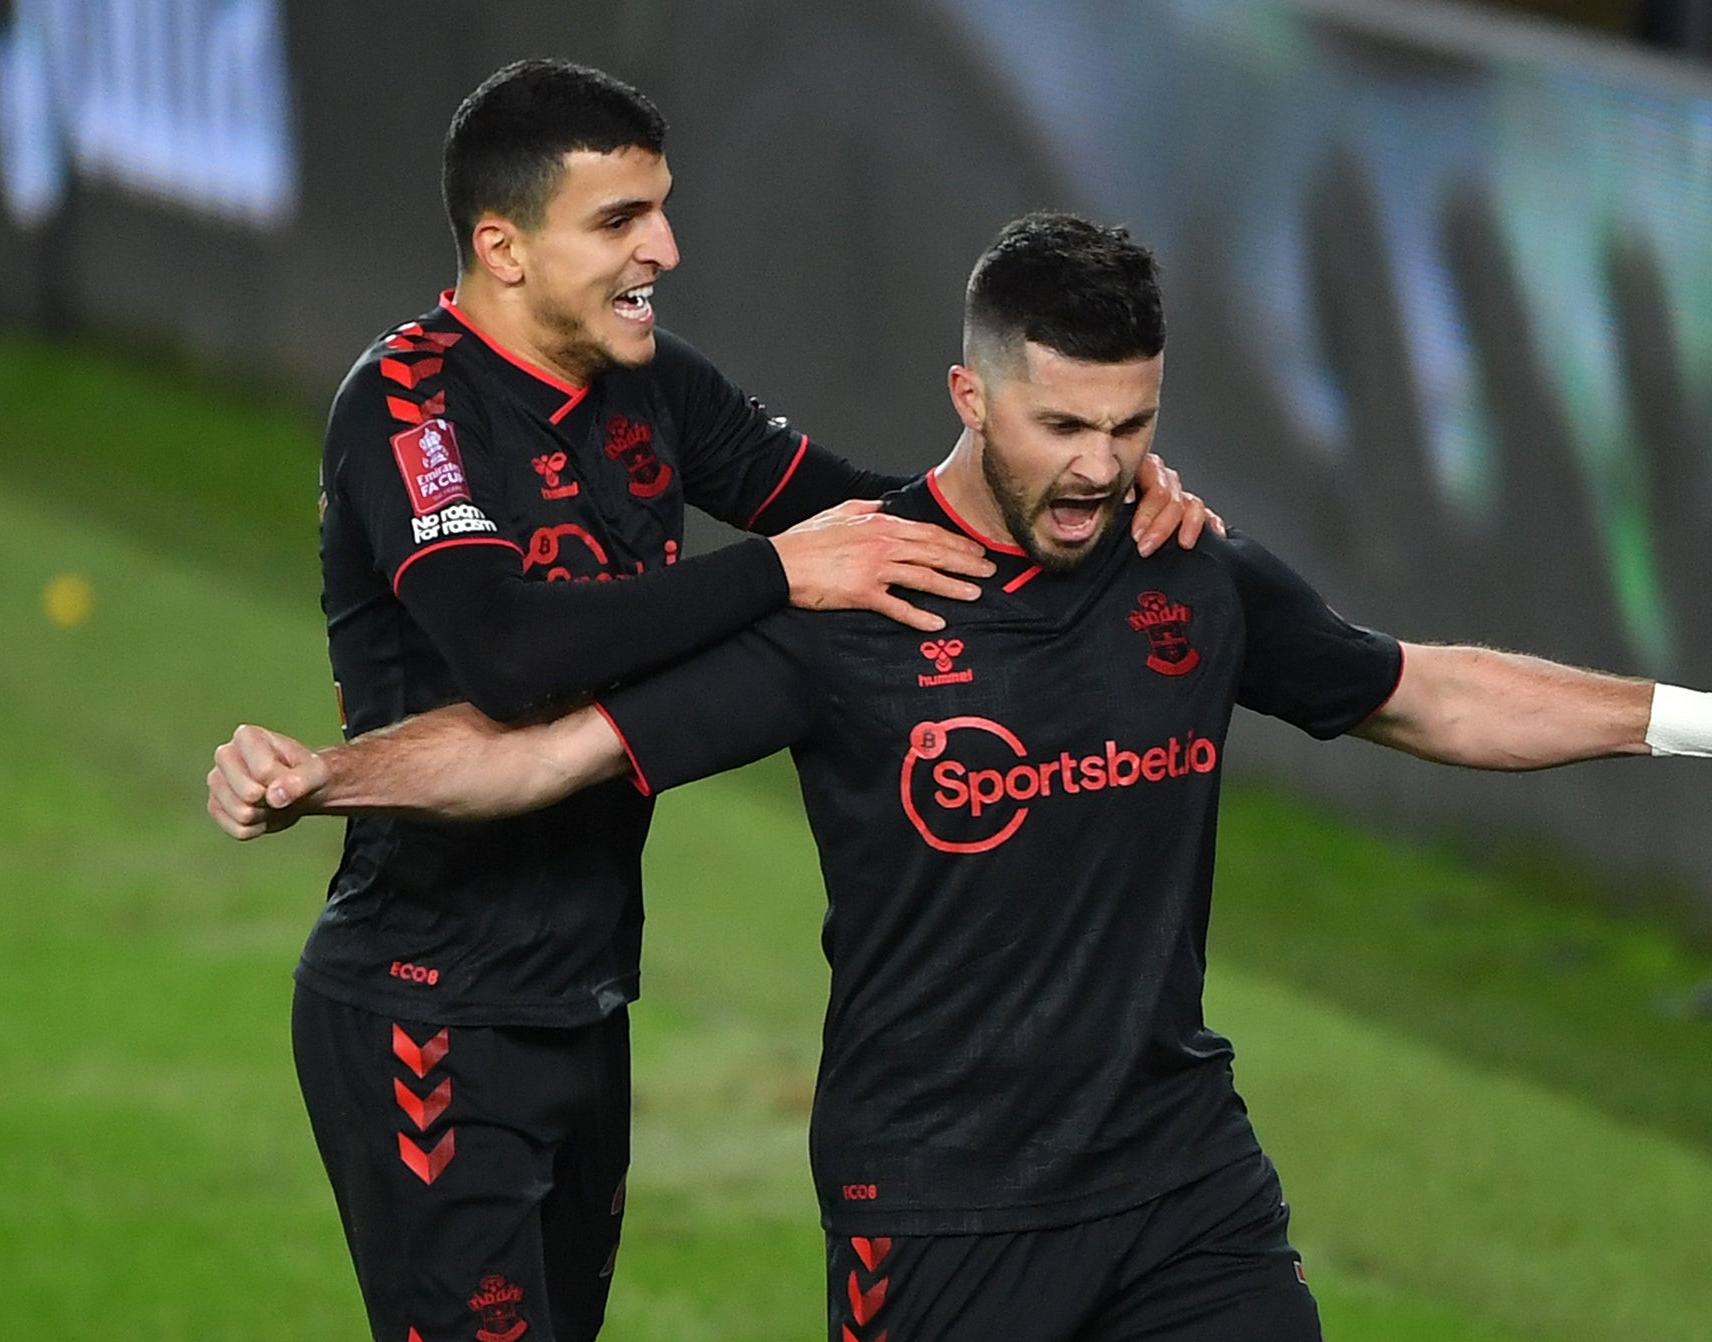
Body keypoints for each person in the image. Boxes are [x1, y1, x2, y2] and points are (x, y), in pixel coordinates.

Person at [213, 212, 1712, 1341]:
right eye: (1060, 425)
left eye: (1126, 426)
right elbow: (540, 756)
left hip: (1171, 1171)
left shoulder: (1188, 572)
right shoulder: (853, 589)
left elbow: (1420, 693)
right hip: (933, 1209)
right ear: (968, 394)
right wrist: (322, 778)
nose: (1095, 468)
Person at [285, 58, 1212, 1342]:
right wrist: (779, 568)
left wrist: (1092, 489)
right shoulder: (408, 406)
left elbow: (891, 520)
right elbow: (504, 649)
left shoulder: (654, 388)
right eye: (619, 221)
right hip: (426, 1006)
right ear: (501, 246)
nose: (663, 247)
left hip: (582, 998)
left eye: (660, 209)